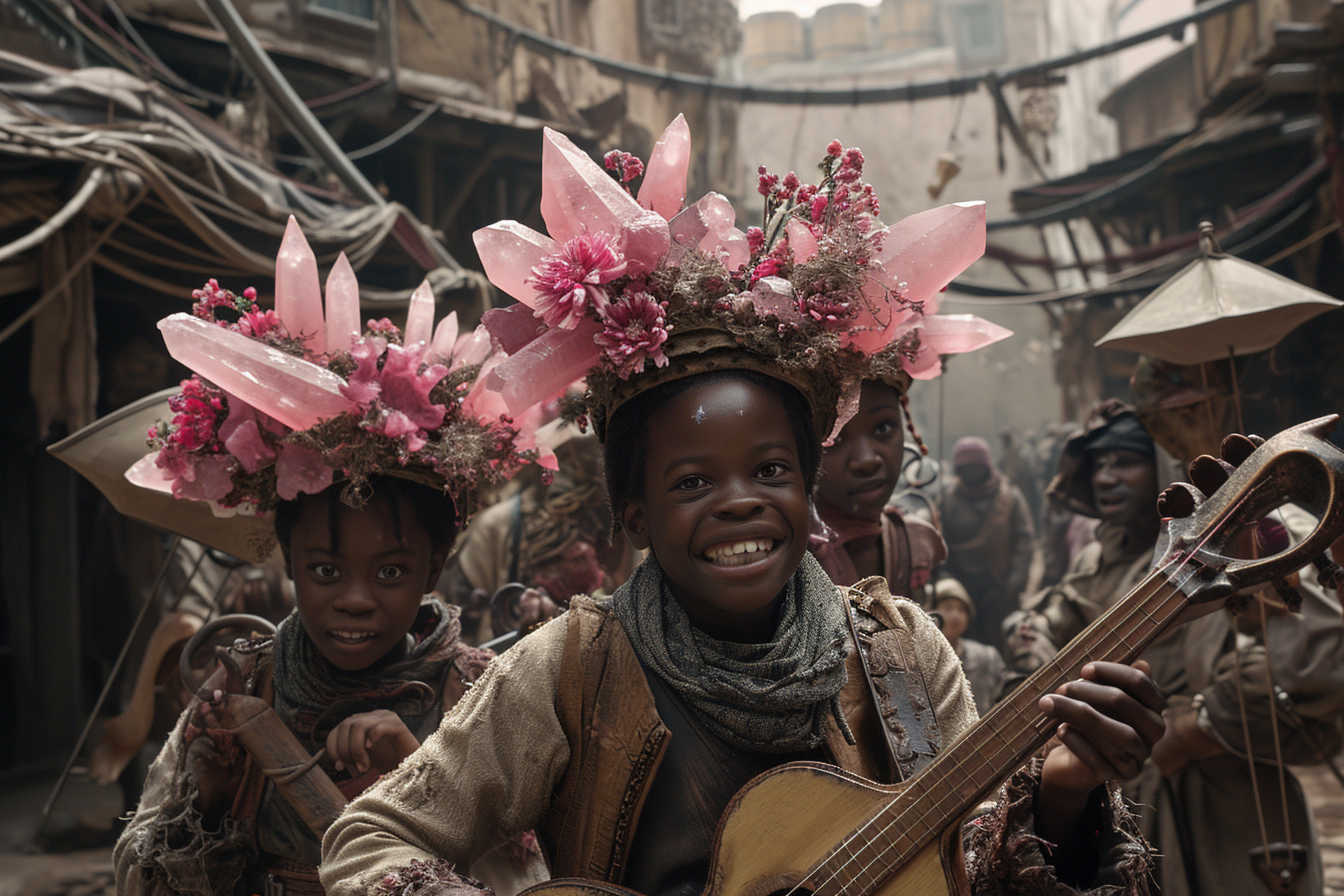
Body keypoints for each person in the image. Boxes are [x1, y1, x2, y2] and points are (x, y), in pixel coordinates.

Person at [320, 123, 1161, 896]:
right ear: (635, 513)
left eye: (769, 470)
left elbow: (969, 864)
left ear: (806, 484)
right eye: (691, 483)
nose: (739, 506)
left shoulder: (902, 653)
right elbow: (371, 840)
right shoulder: (569, 667)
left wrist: (1063, 796)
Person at [100, 223, 543, 896]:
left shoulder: (477, 700)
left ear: (435, 565)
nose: (356, 598)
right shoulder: (242, 688)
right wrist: (216, 795)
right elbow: (143, 879)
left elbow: (527, 877)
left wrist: (421, 769)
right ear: (287, 558)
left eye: (390, 572)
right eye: (325, 571)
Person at [1003, 400, 1344, 896]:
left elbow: (1321, 662)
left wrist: (1196, 724)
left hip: (1231, 802)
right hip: (1132, 806)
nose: (1107, 477)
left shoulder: (1242, 540)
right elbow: (1060, 638)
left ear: (1163, 466)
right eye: (1099, 464)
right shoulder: (1099, 556)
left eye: (1126, 461)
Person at [811, 374, 946, 602]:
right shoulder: (786, 560)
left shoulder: (917, 544)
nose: (866, 460)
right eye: (832, 438)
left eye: (882, 427)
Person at [938, 436, 1035, 647]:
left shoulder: (1010, 497)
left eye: (975, 467)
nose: (971, 472)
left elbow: (1024, 540)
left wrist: (1016, 580)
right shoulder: (947, 498)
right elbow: (939, 540)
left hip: (998, 587)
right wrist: (944, 577)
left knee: (998, 641)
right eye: (966, 467)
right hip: (959, 587)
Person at [933, 578, 1003, 716]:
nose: (955, 615)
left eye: (962, 610)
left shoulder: (987, 656)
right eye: (948, 607)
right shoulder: (921, 658)